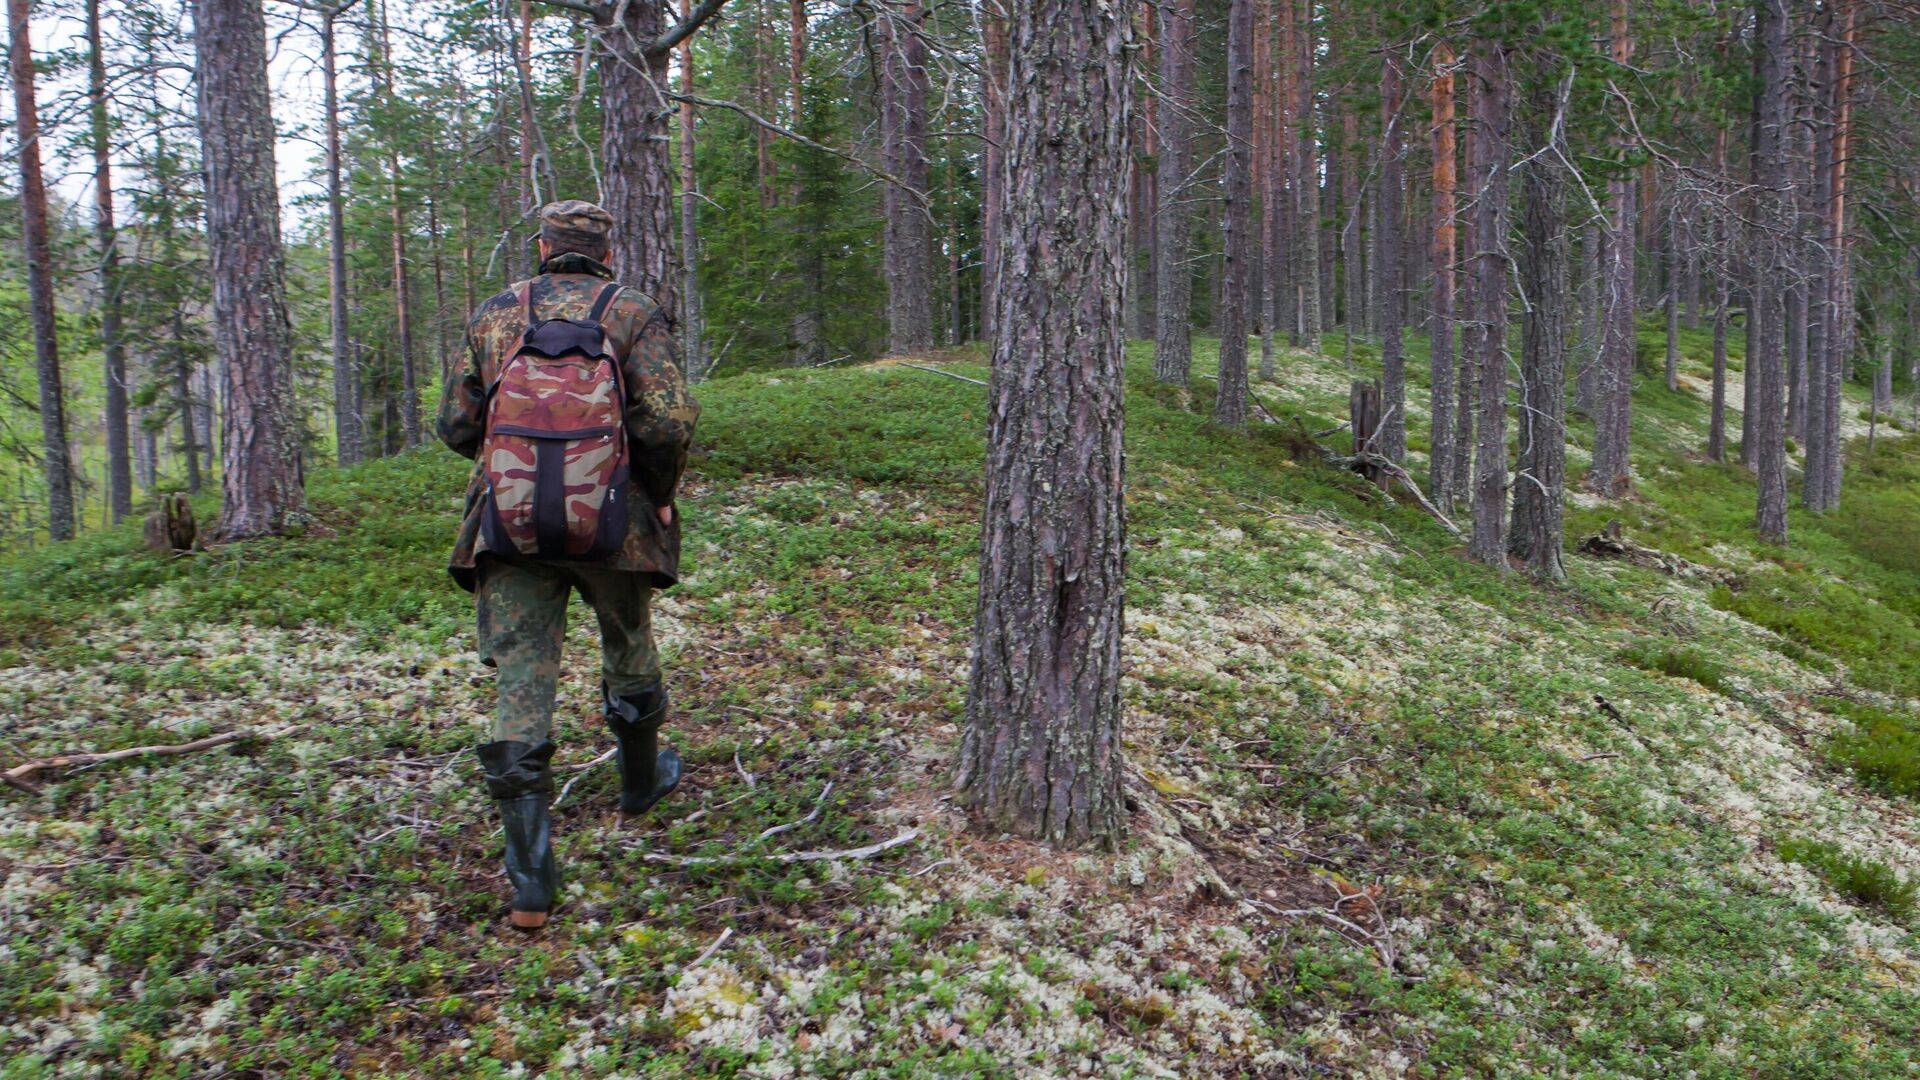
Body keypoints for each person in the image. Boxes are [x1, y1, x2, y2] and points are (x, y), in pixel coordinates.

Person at [437, 200, 700, 929]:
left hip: (511, 527)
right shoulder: (633, 312)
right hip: (614, 523)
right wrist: (660, 493)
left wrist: (514, 468)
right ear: (605, 253)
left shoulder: (496, 314)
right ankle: (641, 782)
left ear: (545, 246)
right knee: (628, 642)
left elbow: (456, 422)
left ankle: (530, 884)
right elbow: (670, 420)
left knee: (522, 678)